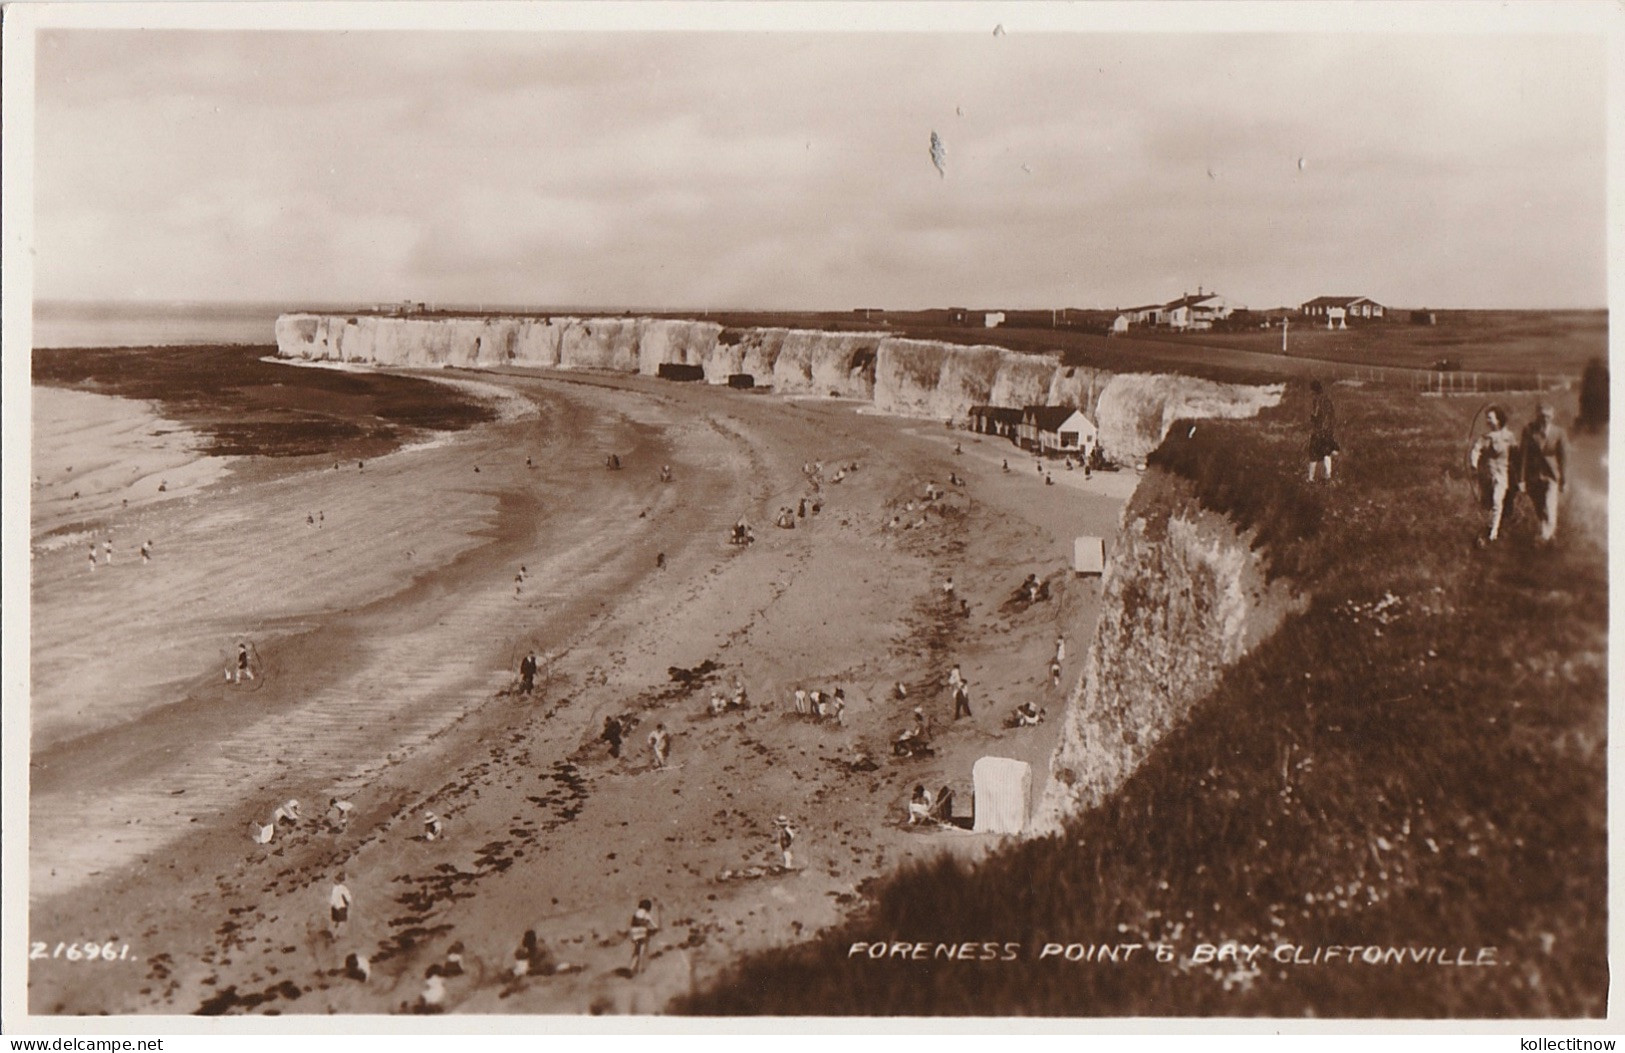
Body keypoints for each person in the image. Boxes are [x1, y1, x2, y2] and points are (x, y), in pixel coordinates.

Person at [1519, 402, 1569, 544]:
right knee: (1540, 508)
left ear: (1552, 416)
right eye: (1542, 416)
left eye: (1548, 416)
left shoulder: (1559, 433)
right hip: (1533, 477)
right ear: (1537, 416)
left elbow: (1563, 458)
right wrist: (1521, 480)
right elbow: (1524, 456)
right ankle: (1548, 537)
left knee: (1550, 505)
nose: (1545, 419)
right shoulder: (1529, 430)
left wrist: (1563, 481)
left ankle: (1544, 538)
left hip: (1552, 476)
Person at [1469, 405, 1518, 545]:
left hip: (1502, 476)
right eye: (1487, 418)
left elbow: (1516, 454)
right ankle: (1489, 528)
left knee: (1497, 501)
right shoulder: (1486, 437)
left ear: (1498, 419)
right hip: (1488, 476)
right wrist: (1474, 464)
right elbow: (1476, 450)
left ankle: (1493, 533)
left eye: (1490, 418)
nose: (1487, 421)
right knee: (1487, 503)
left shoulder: (1509, 437)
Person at [1307, 380, 1339, 482]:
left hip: (1318, 431)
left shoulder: (1316, 400)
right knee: (1326, 452)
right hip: (1328, 431)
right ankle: (1328, 476)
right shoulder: (1327, 400)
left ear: (1313, 390)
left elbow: (1315, 415)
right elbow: (1332, 416)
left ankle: (1310, 479)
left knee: (1313, 454)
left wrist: (1312, 420)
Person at [629, 899, 659, 975]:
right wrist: (656, 928)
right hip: (642, 933)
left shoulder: (637, 912)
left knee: (636, 952)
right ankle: (639, 969)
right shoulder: (646, 914)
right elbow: (654, 924)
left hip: (634, 934)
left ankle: (631, 968)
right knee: (641, 952)